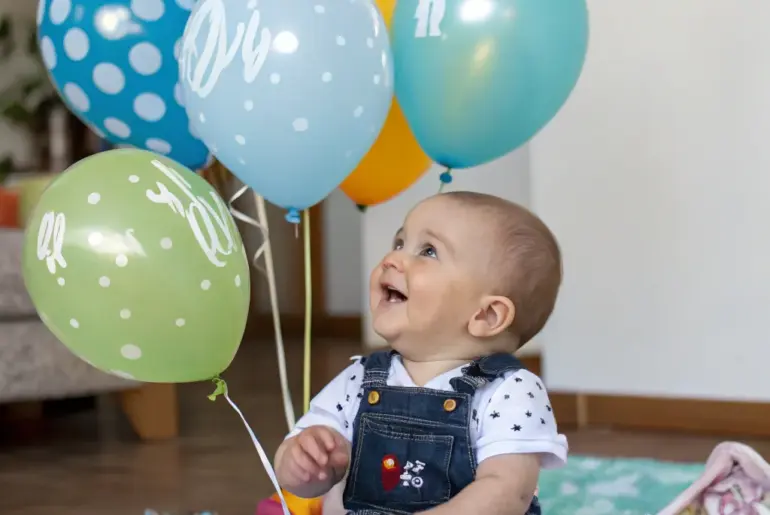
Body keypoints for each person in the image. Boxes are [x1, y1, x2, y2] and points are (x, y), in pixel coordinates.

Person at [274, 191, 568, 515]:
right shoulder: (360, 379)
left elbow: (507, 491)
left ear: (486, 315)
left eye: (428, 251)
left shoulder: (509, 392)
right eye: (399, 243)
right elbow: (302, 475)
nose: (392, 258)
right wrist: (304, 462)